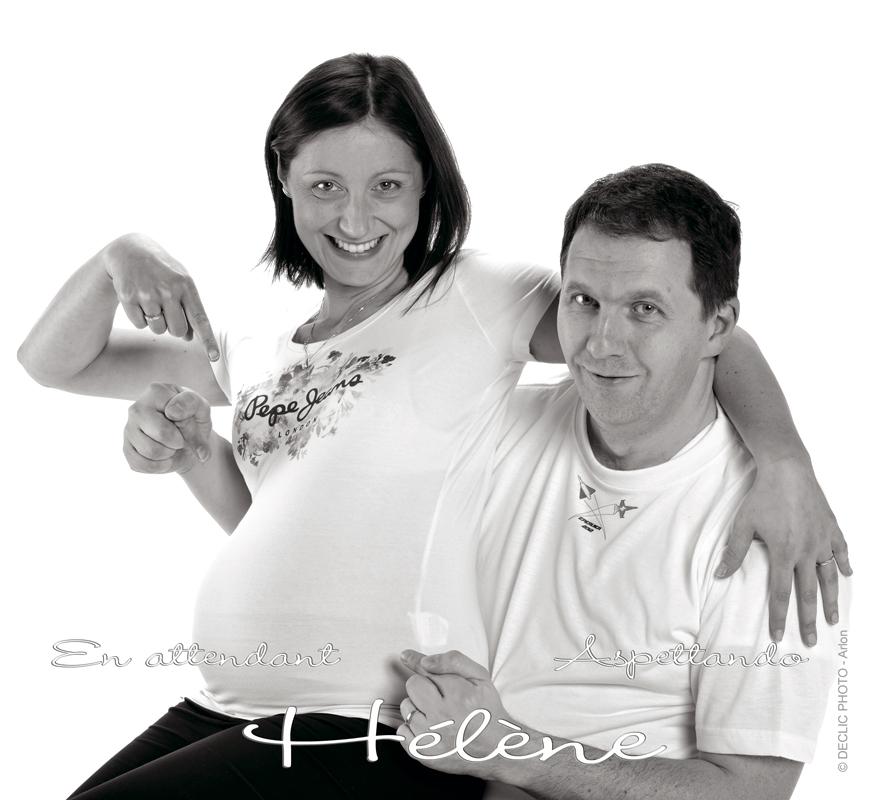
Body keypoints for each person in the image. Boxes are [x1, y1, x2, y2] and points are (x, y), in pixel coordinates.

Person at [17, 51, 845, 796]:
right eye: (324, 186)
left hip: (366, 719)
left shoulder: (475, 299)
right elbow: (54, 363)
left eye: (386, 186)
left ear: (426, 187)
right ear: (283, 178)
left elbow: (680, 339)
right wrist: (120, 260)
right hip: (225, 701)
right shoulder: (260, 341)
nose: (354, 220)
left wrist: (784, 462)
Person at [395, 164, 843, 800]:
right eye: (584, 301)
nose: (603, 344)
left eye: (644, 309)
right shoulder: (496, 431)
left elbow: (750, 792)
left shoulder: (775, 529)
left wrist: (509, 751)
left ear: (718, 327)